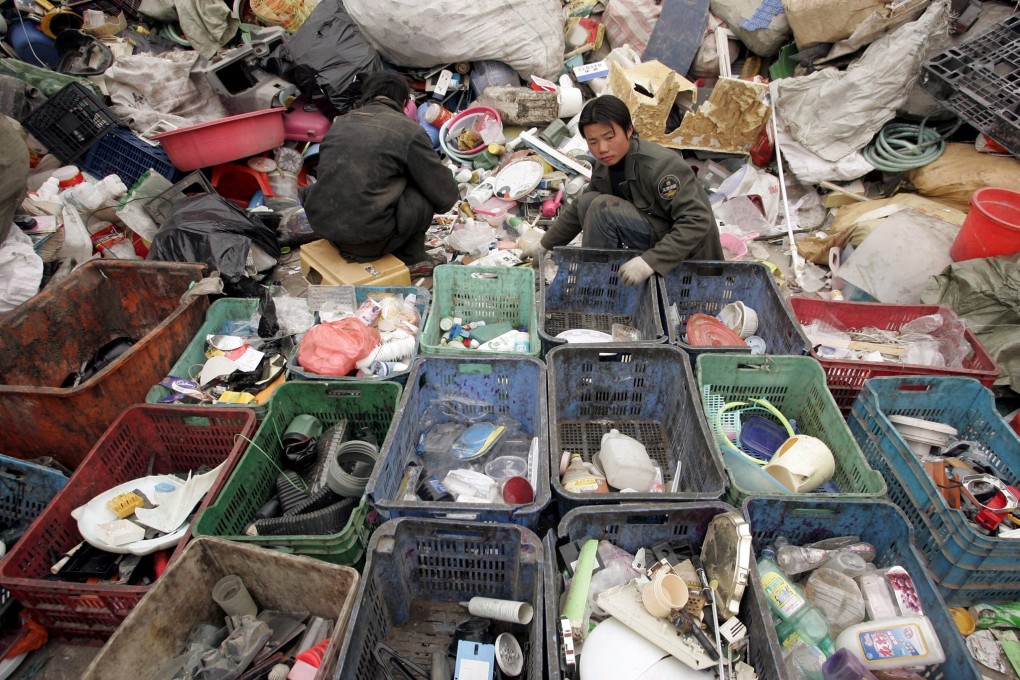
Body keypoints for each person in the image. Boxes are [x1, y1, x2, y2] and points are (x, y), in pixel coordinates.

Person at [521, 95, 721, 284]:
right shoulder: (605, 166)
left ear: (629, 130)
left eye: (609, 137)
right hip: (655, 235)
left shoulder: (661, 166)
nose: (602, 148)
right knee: (588, 201)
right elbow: (580, 206)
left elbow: (697, 220)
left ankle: (595, 287)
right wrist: (544, 244)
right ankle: (596, 284)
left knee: (603, 208)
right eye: (593, 142)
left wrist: (650, 261)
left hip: (692, 259)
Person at [305, 71, 458, 274]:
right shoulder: (408, 130)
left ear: (367, 96)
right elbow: (445, 196)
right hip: (369, 240)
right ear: (404, 102)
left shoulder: (340, 123)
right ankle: (413, 260)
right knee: (424, 191)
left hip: (327, 231)